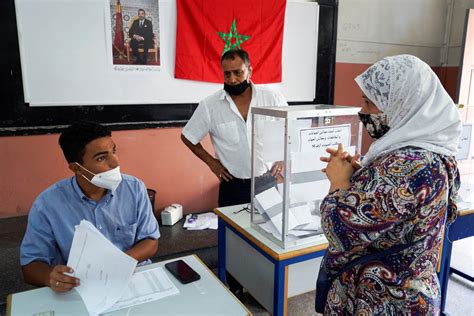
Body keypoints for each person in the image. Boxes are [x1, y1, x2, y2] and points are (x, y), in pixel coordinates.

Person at [319, 54, 461, 315]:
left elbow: (339, 230)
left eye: (369, 103)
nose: (362, 111)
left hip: (382, 301)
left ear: (401, 104)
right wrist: (364, 177)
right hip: (407, 293)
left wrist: (340, 182)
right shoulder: (430, 152)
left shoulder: (407, 164)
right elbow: (397, 206)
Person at [20, 121, 160, 293]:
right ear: (76, 168)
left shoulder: (134, 188)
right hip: (82, 286)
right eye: (101, 158)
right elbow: (30, 266)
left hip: (133, 277)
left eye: (114, 151)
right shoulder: (47, 205)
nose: (115, 163)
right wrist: (49, 276)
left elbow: (151, 242)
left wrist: (119, 263)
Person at [181, 48, 288, 208]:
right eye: (227, 74)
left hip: (267, 181)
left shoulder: (272, 98)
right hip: (233, 185)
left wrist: (282, 157)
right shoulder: (210, 106)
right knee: (231, 232)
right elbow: (188, 137)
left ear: (249, 71)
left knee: (269, 231)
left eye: (238, 72)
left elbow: (290, 128)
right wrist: (212, 162)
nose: (232, 79)